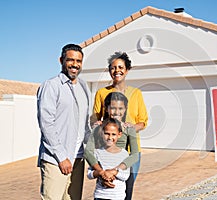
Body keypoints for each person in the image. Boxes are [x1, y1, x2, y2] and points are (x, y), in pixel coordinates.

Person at [37, 44, 91, 200]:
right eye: (70, 60)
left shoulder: (84, 86)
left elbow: (84, 124)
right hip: (56, 160)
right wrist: (61, 157)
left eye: (78, 61)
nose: (75, 64)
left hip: (78, 159)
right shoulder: (51, 86)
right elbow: (46, 124)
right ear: (61, 60)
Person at [91, 52, 148, 199]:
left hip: (130, 151)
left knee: (126, 190)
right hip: (108, 150)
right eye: (113, 67)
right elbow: (94, 119)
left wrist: (129, 129)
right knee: (107, 186)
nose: (117, 70)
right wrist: (97, 124)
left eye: (121, 67)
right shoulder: (102, 93)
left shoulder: (136, 93)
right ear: (109, 70)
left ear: (127, 69)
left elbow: (143, 121)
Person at [85, 92, 139, 199]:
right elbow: (88, 152)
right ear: (106, 108)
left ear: (125, 109)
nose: (116, 112)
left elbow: (135, 155)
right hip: (103, 170)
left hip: (123, 172)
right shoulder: (99, 127)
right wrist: (102, 173)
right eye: (113, 108)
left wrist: (115, 171)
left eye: (120, 108)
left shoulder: (129, 129)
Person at [87, 118, 130, 200]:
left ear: (119, 134)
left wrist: (113, 172)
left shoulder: (124, 154)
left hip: (117, 197)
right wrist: (101, 173)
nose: (110, 137)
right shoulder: (97, 153)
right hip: (100, 195)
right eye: (107, 133)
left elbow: (126, 175)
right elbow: (89, 174)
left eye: (113, 134)